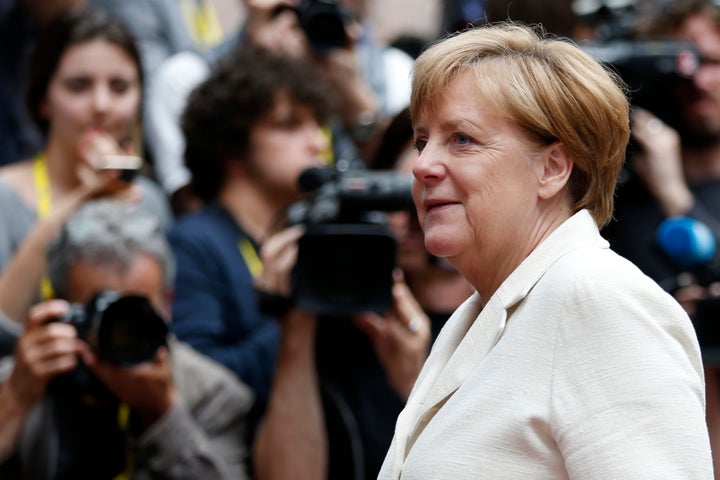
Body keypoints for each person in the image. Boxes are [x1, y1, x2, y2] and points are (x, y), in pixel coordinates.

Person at [376, 22, 713, 478]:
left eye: (462, 139)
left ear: (553, 168)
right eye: (422, 141)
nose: (422, 166)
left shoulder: (598, 300)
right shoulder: (487, 309)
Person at [0, 199, 253, 479]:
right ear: (60, 306)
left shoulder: (213, 395)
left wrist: (164, 416)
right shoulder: (25, 381)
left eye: (134, 313)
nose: (119, 332)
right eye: (101, 312)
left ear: (167, 305)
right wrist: (14, 401)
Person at [0, 7, 172, 354]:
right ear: (43, 99)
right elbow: (3, 326)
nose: (101, 105)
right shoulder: (4, 195)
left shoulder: (148, 200)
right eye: (78, 86)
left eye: (120, 87)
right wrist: (82, 199)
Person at [600, 1, 720, 476]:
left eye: (711, 61)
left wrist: (675, 198)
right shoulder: (617, 190)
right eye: (680, 61)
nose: (696, 79)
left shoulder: (666, 190)